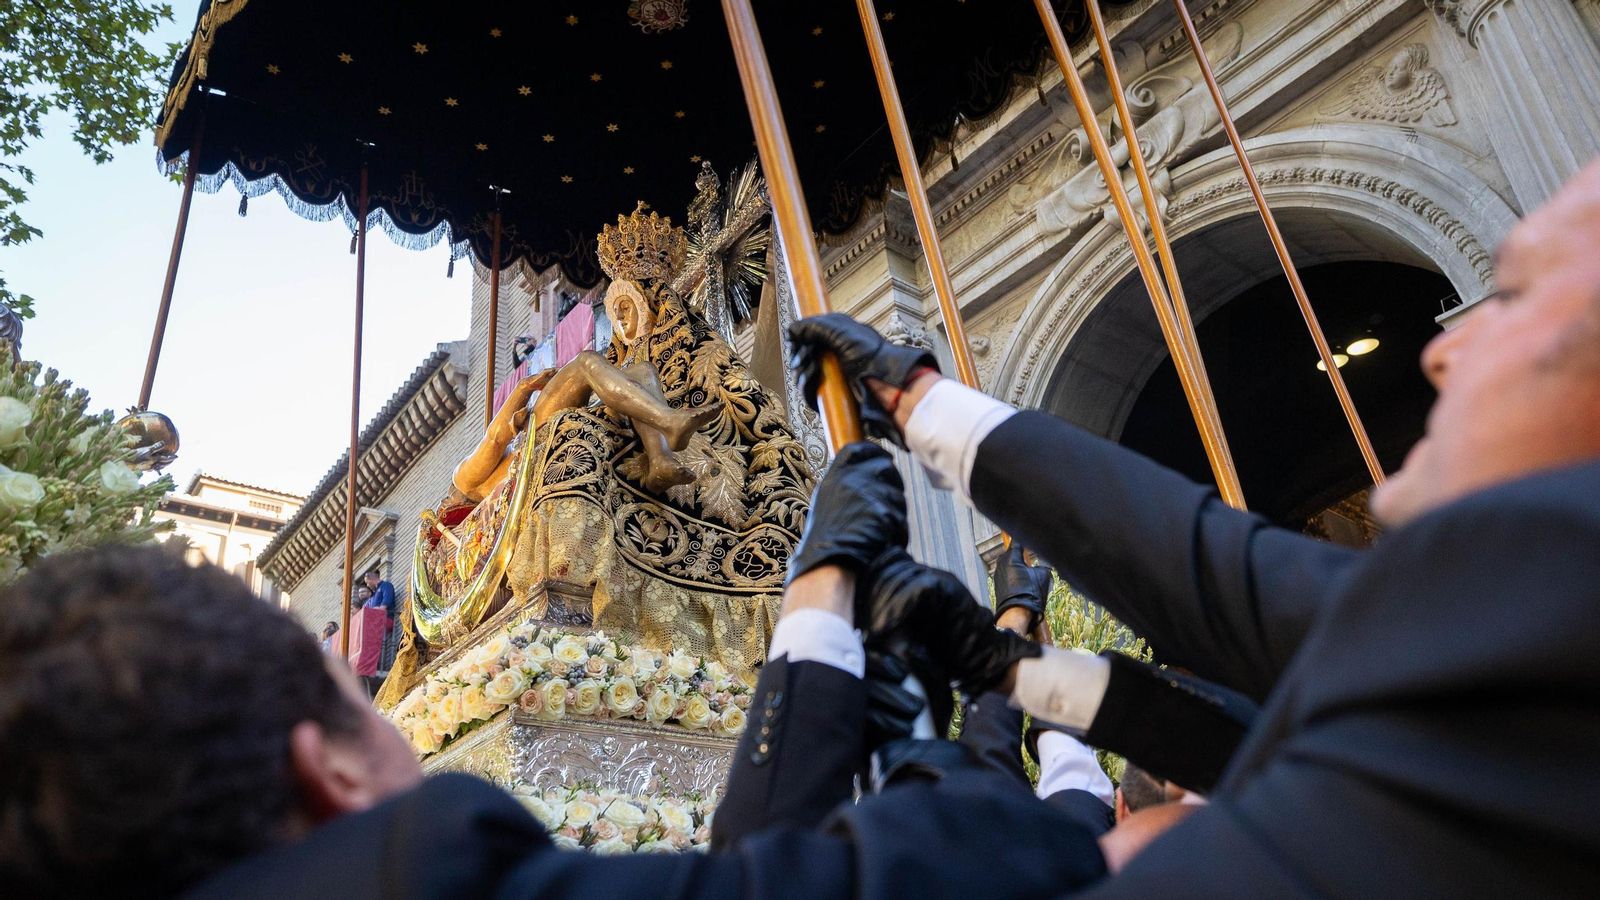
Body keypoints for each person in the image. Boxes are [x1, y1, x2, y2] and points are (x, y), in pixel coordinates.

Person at [786, 159, 1600, 894]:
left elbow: (1239, 590)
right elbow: (1235, 604)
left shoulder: (1566, 594)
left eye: (1520, 296)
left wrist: (886, 713)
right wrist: (1006, 664)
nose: (1442, 353)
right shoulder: (1521, 617)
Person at [0, 543, 1107, 899]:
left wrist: (817, 635)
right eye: (363, 694)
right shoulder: (426, 868)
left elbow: (742, 873)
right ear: (326, 772)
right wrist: (916, 733)